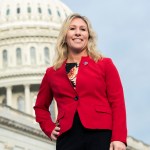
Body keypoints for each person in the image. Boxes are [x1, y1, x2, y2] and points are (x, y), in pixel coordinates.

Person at [34, 13, 127, 150]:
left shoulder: (104, 64)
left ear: (88, 36)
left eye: (83, 29)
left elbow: (117, 102)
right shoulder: (52, 73)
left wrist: (119, 138)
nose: (78, 33)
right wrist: (49, 127)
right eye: (72, 29)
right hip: (68, 137)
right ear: (65, 36)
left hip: (100, 133)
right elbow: (40, 106)